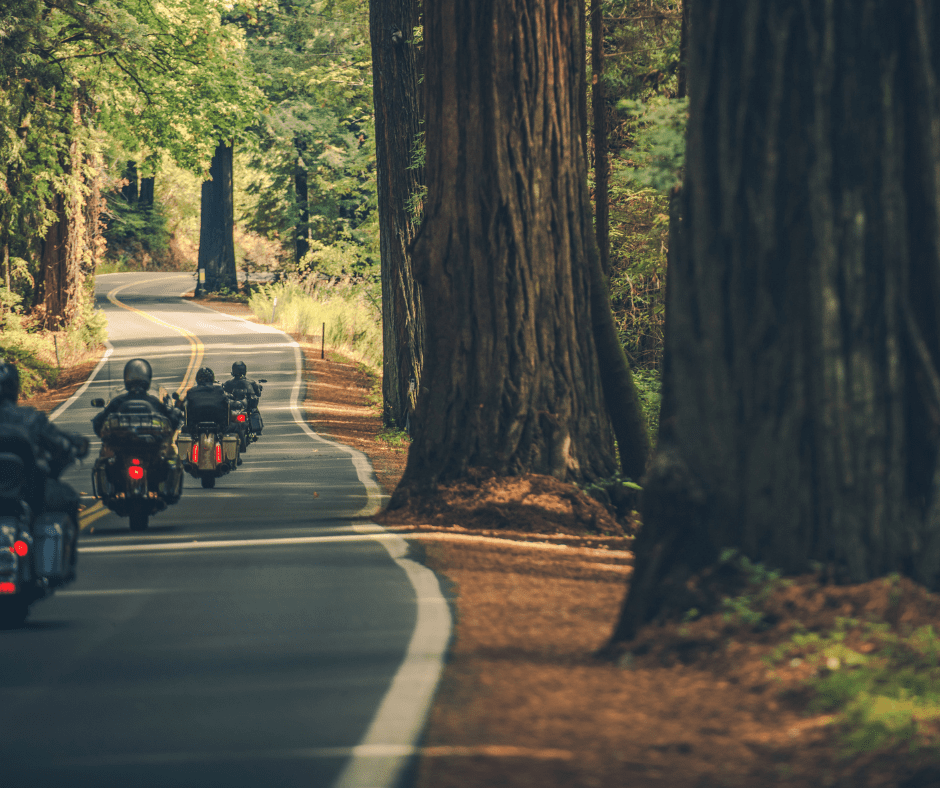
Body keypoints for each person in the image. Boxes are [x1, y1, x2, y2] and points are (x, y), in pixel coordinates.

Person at [0, 362, 89, 577]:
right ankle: (66, 564)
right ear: (14, 387)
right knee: (68, 499)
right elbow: (58, 442)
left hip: (24, 498)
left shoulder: (32, 419)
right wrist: (74, 445)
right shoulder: (30, 419)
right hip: (27, 494)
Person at [222, 361, 263, 444]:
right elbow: (258, 394)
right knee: (254, 410)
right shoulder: (251, 382)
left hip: (235, 410)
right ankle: (255, 430)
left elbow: (223, 394)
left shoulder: (228, 383)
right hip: (244, 409)